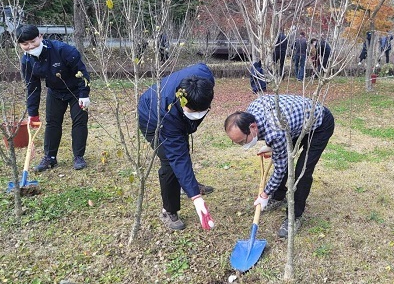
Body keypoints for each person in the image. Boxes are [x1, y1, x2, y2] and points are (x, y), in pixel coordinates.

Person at [224, 95, 335, 238]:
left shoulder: (275, 132)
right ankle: (278, 196)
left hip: (320, 124)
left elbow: (280, 168)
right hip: (293, 124)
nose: (242, 145)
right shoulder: (251, 112)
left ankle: (294, 217)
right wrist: (271, 147)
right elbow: (279, 144)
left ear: (252, 127)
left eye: (241, 141)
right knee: (284, 158)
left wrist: (265, 193)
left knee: (302, 171)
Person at [138, 63, 216, 231]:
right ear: (181, 101)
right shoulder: (166, 113)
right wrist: (196, 198)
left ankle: (188, 185)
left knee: (181, 151)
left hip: (174, 118)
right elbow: (177, 156)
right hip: (151, 118)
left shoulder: (204, 77)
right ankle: (169, 210)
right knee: (170, 162)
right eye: (190, 110)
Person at [17, 24, 91, 171]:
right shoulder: (27, 61)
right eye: (25, 44)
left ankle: (78, 157)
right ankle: (50, 158)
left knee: (79, 122)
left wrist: (84, 94)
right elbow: (33, 87)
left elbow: (82, 72)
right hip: (55, 92)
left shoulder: (63, 50)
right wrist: (33, 113)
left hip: (75, 91)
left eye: (33, 41)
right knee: (52, 123)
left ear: (40, 37)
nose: (30, 46)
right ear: (20, 45)